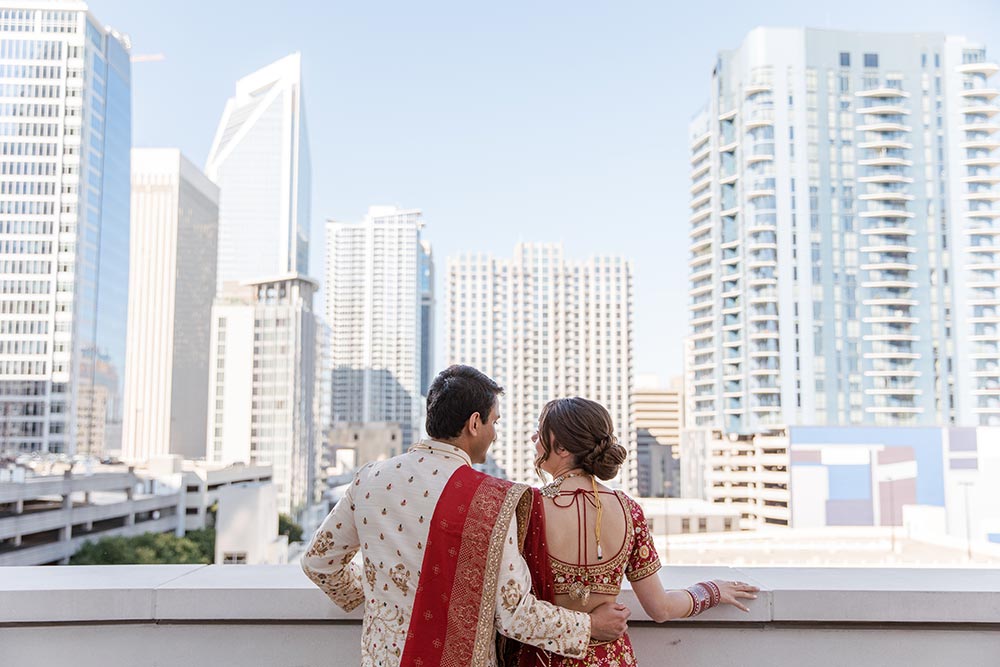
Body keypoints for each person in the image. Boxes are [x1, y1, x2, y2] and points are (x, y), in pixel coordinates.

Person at [301, 366, 631, 667]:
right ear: (475, 423)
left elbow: (318, 563)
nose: (496, 434)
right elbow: (514, 614)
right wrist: (591, 626)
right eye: (494, 422)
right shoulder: (492, 499)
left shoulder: (370, 478)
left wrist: (379, 595)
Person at [510, 397, 760, 666]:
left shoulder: (526, 508)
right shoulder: (629, 509)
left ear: (560, 447)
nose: (534, 438)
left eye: (540, 431)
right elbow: (661, 608)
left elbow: (511, 605)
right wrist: (711, 591)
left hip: (542, 659)